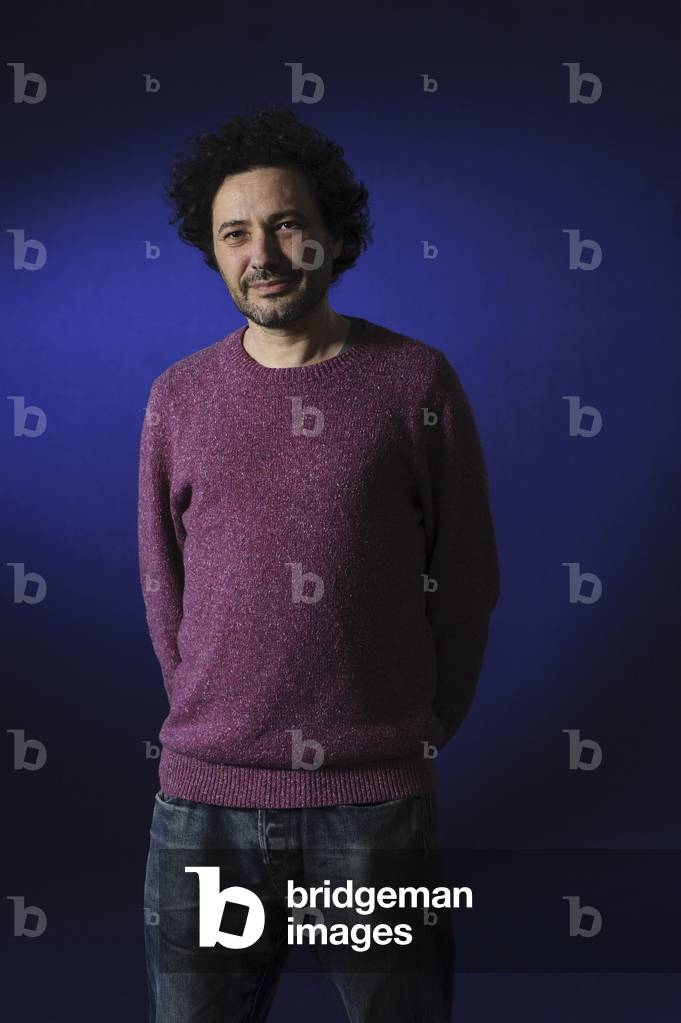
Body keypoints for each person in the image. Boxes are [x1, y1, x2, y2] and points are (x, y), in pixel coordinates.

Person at [138, 103, 500, 1022]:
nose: (261, 252)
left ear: (333, 238)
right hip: (206, 810)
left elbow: (464, 578)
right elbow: (161, 579)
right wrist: (215, 718)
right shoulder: (178, 397)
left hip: (372, 805)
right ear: (212, 251)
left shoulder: (414, 382)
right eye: (235, 233)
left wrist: (411, 731)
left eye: (287, 223)